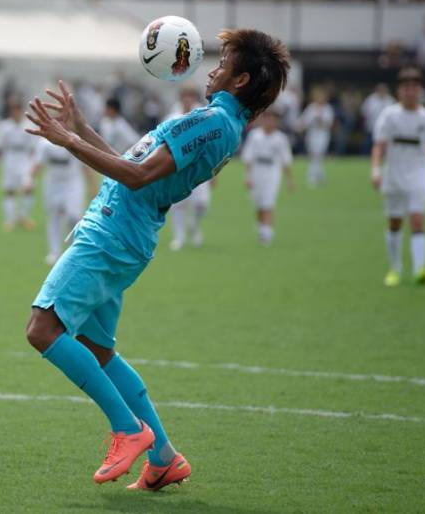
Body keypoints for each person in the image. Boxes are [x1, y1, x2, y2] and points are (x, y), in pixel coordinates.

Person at [24, 29, 289, 490]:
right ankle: (164, 456)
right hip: (125, 233)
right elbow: (135, 169)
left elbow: (136, 174)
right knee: (98, 350)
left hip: (111, 235)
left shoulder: (210, 122)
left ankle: (127, 429)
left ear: (241, 79)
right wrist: (82, 130)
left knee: (42, 329)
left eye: (223, 63)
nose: (213, 69)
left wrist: (68, 141)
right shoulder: (222, 125)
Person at [371, 68, 425, 287]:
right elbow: (379, 145)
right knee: (395, 223)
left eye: (414, 87)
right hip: (393, 174)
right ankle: (395, 268)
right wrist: (375, 169)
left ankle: (420, 268)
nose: (410, 92)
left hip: (419, 175)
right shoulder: (389, 115)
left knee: (417, 220)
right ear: (399, 91)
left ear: (419, 90)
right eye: (406, 87)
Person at [166, 85, 213, 250]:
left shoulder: (203, 115)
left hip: (199, 165)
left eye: (190, 95)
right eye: (184, 95)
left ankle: (193, 224)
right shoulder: (172, 116)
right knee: (178, 204)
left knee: (202, 203)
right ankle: (179, 238)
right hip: (178, 166)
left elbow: (211, 142)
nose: (187, 99)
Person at [28, 139, 86, 265]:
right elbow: (37, 164)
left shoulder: (75, 140)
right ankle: (54, 252)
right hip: (52, 184)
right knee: (54, 216)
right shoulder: (44, 144)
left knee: (74, 216)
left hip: (73, 183)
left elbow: (85, 165)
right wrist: (29, 181)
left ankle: (74, 250)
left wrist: (93, 187)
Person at [241, 109, 294, 246]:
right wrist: (247, 176)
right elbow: (248, 157)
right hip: (257, 171)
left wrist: (289, 180)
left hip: (272, 172)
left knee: (268, 202)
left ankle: (267, 232)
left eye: (273, 119)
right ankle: (261, 227)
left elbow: (286, 160)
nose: (270, 121)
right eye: (267, 118)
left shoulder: (281, 138)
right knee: (258, 203)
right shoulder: (255, 135)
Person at [0, 101, 37, 231]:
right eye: (13, 110)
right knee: (9, 191)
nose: (16, 113)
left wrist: (34, 163)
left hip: (24, 160)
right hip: (10, 160)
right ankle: (9, 220)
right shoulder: (5, 126)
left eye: (18, 110)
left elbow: (34, 146)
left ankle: (23, 217)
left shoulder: (28, 125)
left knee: (28, 188)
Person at [299, 88, 334, 188]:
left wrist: (320, 119)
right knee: (313, 154)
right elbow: (304, 120)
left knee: (319, 153)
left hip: (323, 133)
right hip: (312, 133)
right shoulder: (311, 108)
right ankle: (316, 175)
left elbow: (329, 123)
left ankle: (316, 175)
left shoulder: (327, 108)